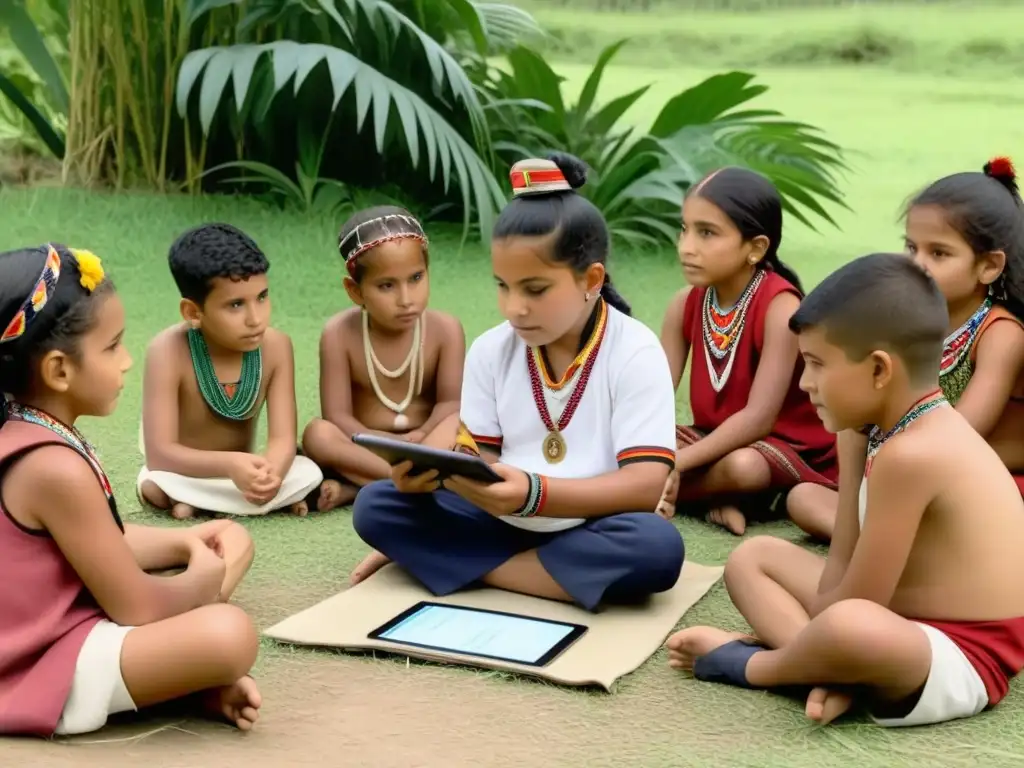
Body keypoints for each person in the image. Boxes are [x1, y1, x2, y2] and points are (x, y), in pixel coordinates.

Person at [667, 253, 1024, 728]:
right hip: (894, 611)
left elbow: (854, 603)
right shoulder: (889, 430)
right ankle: (827, 676)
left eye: (815, 364)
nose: (804, 382)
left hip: (959, 652)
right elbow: (847, 572)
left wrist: (852, 462)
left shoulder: (912, 455)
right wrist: (852, 455)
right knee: (752, 560)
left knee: (848, 628)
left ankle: (760, 667)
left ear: (879, 371)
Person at [347, 154, 684, 609]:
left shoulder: (635, 352)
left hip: (590, 521)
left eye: (535, 289)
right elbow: (479, 456)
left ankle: (467, 567)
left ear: (592, 278)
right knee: (377, 505)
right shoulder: (491, 349)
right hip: (499, 515)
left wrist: (534, 494)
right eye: (503, 286)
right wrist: (438, 480)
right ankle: (545, 573)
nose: (513, 308)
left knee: (657, 548)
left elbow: (644, 488)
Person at [0, 244, 261, 737]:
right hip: (35, 662)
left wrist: (188, 540)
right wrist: (204, 579)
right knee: (229, 635)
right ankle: (181, 680)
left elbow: (97, 537)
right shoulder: (50, 465)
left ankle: (175, 677)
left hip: (66, 625)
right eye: (112, 346)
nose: (127, 361)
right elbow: (135, 607)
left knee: (231, 537)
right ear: (59, 369)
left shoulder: (31, 428)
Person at [788, 157, 1024, 540]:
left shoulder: (1001, 333)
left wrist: (891, 459)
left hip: (981, 482)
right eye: (911, 247)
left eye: (939, 253)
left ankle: (883, 540)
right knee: (802, 499)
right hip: (914, 472)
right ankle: (873, 535)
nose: (917, 265)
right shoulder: (909, 319)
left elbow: (959, 435)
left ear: (989, 267)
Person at [656, 167, 836, 536]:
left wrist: (675, 461)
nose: (686, 247)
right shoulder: (684, 304)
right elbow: (651, 398)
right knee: (630, 445)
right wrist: (651, 450)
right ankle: (715, 497)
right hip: (711, 438)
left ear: (755, 248)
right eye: (685, 229)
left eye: (706, 233)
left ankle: (651, 488)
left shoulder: (780, 307)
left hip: (780, 447)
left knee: (743, 468)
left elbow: (758, 419)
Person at [137, 223, 322, 519]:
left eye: (262, 297)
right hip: (186, 472)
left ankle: (207, 505)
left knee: (307, 471)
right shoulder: (166, 351)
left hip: (246, 473)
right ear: (194, 313)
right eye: (236, 304)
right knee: (155, 484)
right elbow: (161, 454)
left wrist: (269, 475)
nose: (255, 318)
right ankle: (238, 502)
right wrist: (230, 466)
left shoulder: (276, 347)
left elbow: (282, 440)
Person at [301, 206, 465, 512]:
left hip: (430, 444)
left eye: (416, 278)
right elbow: (337, 417)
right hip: (368, 448)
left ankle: (360, 487)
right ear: (355, 290)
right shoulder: (338, 333)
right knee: (317, 434)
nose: (406, 298)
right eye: (386, 286)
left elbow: (450, 404)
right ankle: (403, 481)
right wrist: (388, 445)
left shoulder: (446, 330)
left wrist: (423, 436)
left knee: (462, 421)